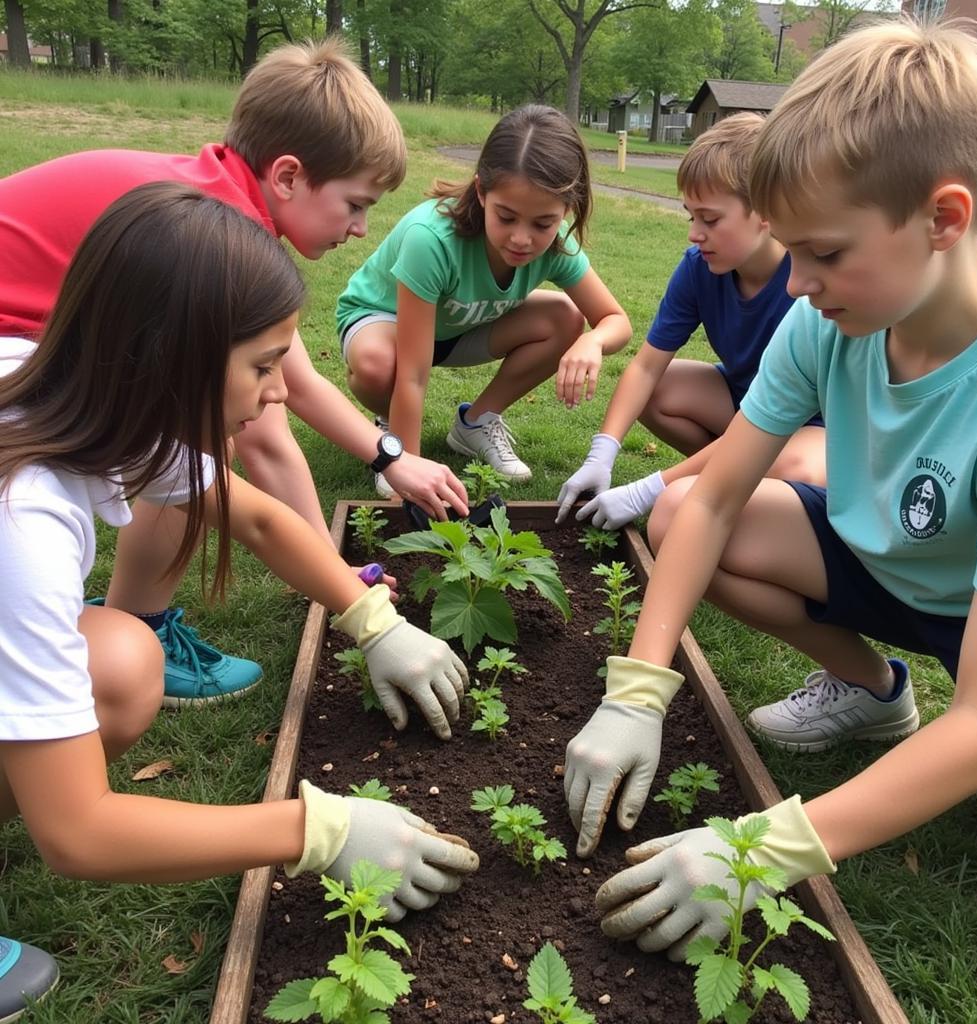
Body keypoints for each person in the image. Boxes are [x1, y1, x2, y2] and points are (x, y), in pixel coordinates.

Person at [561, 20, 977, 959]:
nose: (800, 283)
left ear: (944, 218)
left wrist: (764, 851)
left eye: (825, 252)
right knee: (689, 512)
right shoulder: (831, 321)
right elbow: (722, 492)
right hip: (891, 563)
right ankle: (873, 694)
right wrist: (639, 691)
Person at [0, 184, 478, 1019]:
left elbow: (254, 514)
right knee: (99, 698)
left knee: (116, 663)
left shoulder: (90, 397)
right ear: (165, 357)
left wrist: (372, 620)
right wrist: (312, 830)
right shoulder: (22, 522)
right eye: (264, 366)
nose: (283, 393)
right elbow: (78, 833)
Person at [0, 37, 469, 708]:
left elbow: (292, 381)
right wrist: (343, 586)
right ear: (286, 177)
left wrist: (387, 457)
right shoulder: (214, 234)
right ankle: (143, 626)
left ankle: (140, 621)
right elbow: (266, 433)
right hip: (11, 335)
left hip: (27, 328)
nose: (363, 229)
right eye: (356, 203)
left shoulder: (221, 207)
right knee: (201, 423)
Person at [337, 104, 631, 494]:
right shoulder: (431, 239)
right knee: (379, 365)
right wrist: (407, 466)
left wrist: (593, 340)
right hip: (383, 321)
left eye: (543, 223)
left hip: (459, 328)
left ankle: (475, 423)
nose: (522, 239)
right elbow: (413, 372)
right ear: (481, 190)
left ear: (566, 209)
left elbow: (616, 320)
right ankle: (392, 429)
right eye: (506, 217)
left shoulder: (559, 244)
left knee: (566, 318)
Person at [555, 113, 825, 530]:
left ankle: (719, 480)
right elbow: (647, 366)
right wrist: (602, 451)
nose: (695, 234)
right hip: (741, 404)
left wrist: (648, 489)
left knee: (794, 464)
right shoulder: (700, 267)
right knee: (657, 389)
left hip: (808, 430)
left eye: (711, 219)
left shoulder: (805, 283)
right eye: (690, 217)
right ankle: (726, 475)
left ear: (767, 213)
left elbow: (777, 420)